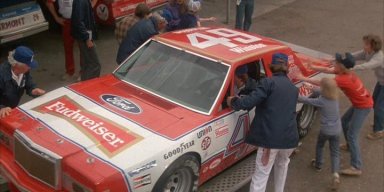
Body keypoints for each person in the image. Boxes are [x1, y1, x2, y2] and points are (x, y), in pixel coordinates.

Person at [227, 53, 299, 192]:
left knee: (261, 174)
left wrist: (233, 101)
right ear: (286, 67)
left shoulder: (268, 82)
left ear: (271, 67)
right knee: (282, 165)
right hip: (290, 138)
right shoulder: (293, 88)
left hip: (271, 140)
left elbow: (248, 102)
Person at [298, 53, 373, 176]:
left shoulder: (342, 79)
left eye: (336, 62)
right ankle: (349, 146)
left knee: (353, 135)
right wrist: (313, 67)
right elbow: (327, 70)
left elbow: (322, 83)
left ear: (341, 66)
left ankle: (356, 166)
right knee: (344, 122)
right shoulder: (345, 72)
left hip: (363, 107)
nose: (334, 63)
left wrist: (303, 78)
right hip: (361, 103)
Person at [298, 78, 342, 191]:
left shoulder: (321, 101)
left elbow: (306, 100)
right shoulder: (335, 98)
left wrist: (293, 93)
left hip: (326, 130)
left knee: (320, 145)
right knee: (335, 152)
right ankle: (335, 175)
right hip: (337, 130)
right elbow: (320, 91)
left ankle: (318, 164)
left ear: (324, 89)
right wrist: (311, 87)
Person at [351, 35, 384, 140]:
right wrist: (341, 59)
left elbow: (367, 66)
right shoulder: (368, 52)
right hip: (381, 82)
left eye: (366, 44)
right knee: (374, 102)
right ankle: (380, 122)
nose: (364, 46)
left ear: (373, 46)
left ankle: (379, 131)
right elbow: (354, 56)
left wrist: (350, 68)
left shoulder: (379, 57)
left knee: (379, 107)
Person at [0, 46, 46, 118]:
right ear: (16, 65)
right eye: (28, 65)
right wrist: (1, 107)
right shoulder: (1, 75)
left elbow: (28, 82)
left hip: (10, 110)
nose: (30, 67)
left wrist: (33, 89)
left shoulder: (24, 71)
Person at [71, 0, 101, 81]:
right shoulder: (81, 1)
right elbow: (78, 21)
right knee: (94, 64)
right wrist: (87, 38)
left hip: (85, 36)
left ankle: (85, 82)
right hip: (85, 37)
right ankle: (90, 85)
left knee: (87, 63)